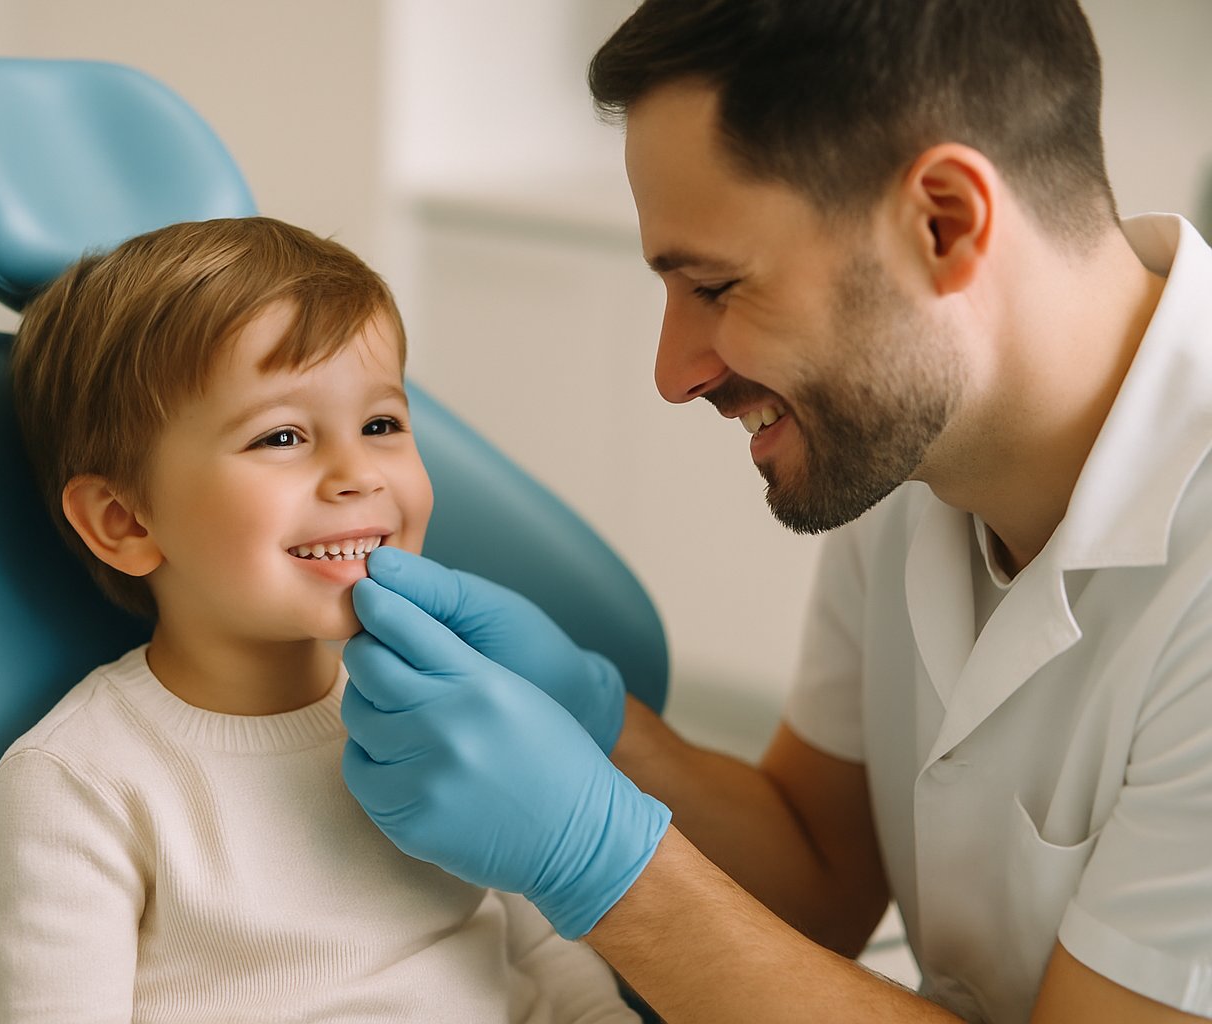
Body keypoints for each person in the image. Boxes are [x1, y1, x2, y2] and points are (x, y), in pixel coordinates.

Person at [337, 2, 1212, 1023]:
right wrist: (602, 728)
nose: (674, 373)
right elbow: (821, 872)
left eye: (716, 285)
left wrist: (601, 864)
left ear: (945, 222)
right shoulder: (920, 446)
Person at [0, 216, 640, 1023]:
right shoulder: (81, 783)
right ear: (125, 521)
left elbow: (546, 958)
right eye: (282, 435)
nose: (358, 473)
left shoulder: (455, 716)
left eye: (382, 425)